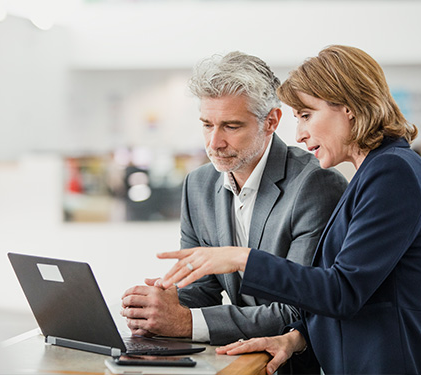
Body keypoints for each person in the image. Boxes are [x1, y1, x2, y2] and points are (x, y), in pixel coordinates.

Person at [157, 45, 421, 374]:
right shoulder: (376, 171)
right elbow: (356, 291)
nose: (299, 134)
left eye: (306, 115)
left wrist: (241, 258)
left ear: (348, 107)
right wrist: (297, 337)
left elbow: (342, 291)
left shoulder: (392, 172)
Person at [120, 51, 348, 347]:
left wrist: (187, 323)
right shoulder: (198, 185)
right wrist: (159, 305)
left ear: (271, 121)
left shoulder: (315, 184)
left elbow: (299, 309)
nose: (214, 143)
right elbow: (201, 289)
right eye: (207, 125)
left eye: (231, 126)